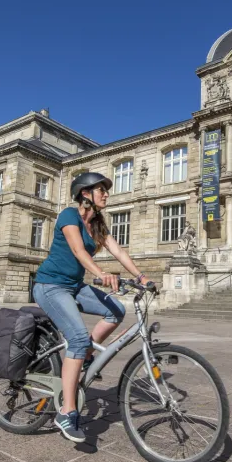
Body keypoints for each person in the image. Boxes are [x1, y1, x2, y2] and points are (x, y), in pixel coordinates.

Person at [33, 172, 154, 443]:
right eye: (102, 190)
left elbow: (118, 251)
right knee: (76, 336)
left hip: (74, 287)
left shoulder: (98, 224)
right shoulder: (68, 215)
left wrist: (141, 277)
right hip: (50, 286)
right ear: (85, 193)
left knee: (117, 311)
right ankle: (67, 412)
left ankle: (84, 354)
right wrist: (101, 274)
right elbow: (78, 251)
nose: (107, 194)